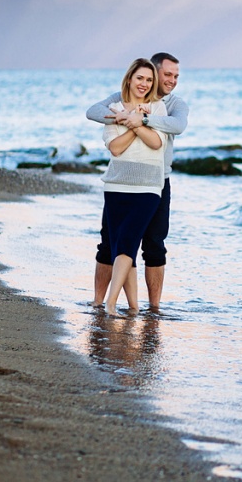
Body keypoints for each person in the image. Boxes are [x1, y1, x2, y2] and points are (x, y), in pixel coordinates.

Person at [86, 52, 188, 312]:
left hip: (157, 181)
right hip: (120, 182)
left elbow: (177, 126)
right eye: (167, 74)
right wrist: (125, 114)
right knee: (110, 243)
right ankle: (100, 302)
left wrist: (141, 119)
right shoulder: (122, 98)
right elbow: (94, 112)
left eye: (176, 76)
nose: (172, 80)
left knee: (154, 245)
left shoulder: (172, 104)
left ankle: (153, 308)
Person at [96, 58, 167, 316]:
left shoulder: (157, 109)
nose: (144, 84)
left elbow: (156, 142)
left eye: (149, 80)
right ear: (129, 79)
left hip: (148, 188)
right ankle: (134, 306)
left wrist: (136, 121)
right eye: (140, 78)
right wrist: (134, 122)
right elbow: (115, 148)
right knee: (120, 246)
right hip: (116, 186)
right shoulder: (113, 109)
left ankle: (111, 303)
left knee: (127, 241)